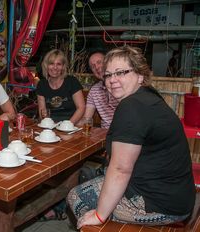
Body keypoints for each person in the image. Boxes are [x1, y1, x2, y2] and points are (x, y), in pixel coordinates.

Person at [67, 46, 195, 229]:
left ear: (140, 76)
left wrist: (99, 215)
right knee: (97, 182)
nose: (112, 80)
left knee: (77, 196)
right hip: (175, 193)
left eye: (121, 73)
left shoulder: (131, 107)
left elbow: (120, 170)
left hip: (162, 204)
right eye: (108, 75)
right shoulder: (148, 96)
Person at [36, 49, 85, 124]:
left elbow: (81, 108)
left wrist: (67, 125)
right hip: (50, 125)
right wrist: (48, 125)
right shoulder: (42, 84)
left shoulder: (72, 81)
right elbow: (42, 111)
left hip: (71, 124)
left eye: (59, 64)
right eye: (51, 63)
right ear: (46, 65)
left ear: (63, 67)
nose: (55, 67)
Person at [78, 51, 118, 129]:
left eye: (99, 62)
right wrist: (69, 127)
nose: (97, 67)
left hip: (126, 134)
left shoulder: (121, 85)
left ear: (108, 62)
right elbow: (87, 118)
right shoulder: (94, 91)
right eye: (93, 66)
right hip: (104, 135)